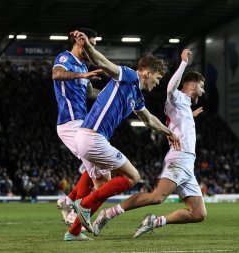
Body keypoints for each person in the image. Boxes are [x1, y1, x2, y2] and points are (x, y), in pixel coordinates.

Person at [64, 30, 180, 241]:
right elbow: (104, 62)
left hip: (88, 138)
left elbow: (149, 119)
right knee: (132, 176)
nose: (158, 82)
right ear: (146, 72)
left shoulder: (136, 96)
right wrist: (88, 46)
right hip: (93, 137)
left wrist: (168, 132)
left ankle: (73, 232)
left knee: (102, 183)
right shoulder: (127, 75)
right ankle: (83, 204)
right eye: (158, 77)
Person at [91, 49, 207, 239]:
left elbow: (179, 122)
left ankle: (155, 221)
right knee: (156, 197)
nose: (202, 91)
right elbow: (170, 88)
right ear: (192, 85)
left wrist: (190, 118)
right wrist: (184, 63)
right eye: (201, 87)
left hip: (188, 163)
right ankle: (109, 213)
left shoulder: (184, 108)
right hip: (180, 158)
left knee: (198, 213)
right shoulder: (177, 97)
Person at [52, 28, 107, 227]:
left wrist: (114, 93)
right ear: (79, 42)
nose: (91, 47)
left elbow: (92, 93)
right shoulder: (65, 58)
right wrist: (81, 75)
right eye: (89, 43)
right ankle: (76, 218)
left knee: (96, 171)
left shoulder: (83, 67)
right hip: (70, 123)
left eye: (94, 44)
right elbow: (56, 74)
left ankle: (67, 203)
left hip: (82, 124)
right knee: (101, 174)